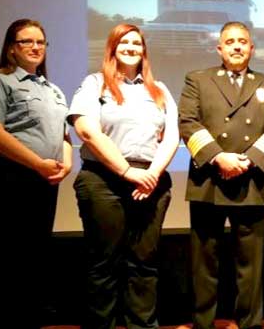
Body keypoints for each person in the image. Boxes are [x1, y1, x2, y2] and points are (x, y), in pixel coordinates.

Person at [67, 24, 179, 329]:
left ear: (144, 50)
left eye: (137, 43)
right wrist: (127, 172)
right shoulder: (94, 84)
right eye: (124, 42)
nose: (131, 47)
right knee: (104, 263)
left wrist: (151, 174)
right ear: (112, 48)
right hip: (104, 180)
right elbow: (86, 130)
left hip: (151, 182)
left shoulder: (160, 90)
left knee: (144, 264)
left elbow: (172, 137)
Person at [178, 21, 264, 329]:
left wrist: (248, 161)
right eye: (230, 42)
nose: (237, 46)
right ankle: (203, 323)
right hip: (208, 182)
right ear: (220, 48)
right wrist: (219, 157)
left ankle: (249, 324)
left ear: (252, 48)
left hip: (252, 182)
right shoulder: (197, 80)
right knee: (204, 263)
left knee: (250, 266)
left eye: (243, 41)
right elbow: (188, 122)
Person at [0, 18, 72, 328]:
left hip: (45, 182)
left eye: (40, 42)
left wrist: (66, 163)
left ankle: (28, 319)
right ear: (11, 49)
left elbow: (65, 136)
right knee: (9, 256)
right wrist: (37, 163)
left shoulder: (53, 89)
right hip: (11, 178)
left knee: (35, 255)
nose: (35, 47)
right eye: (26, 41)